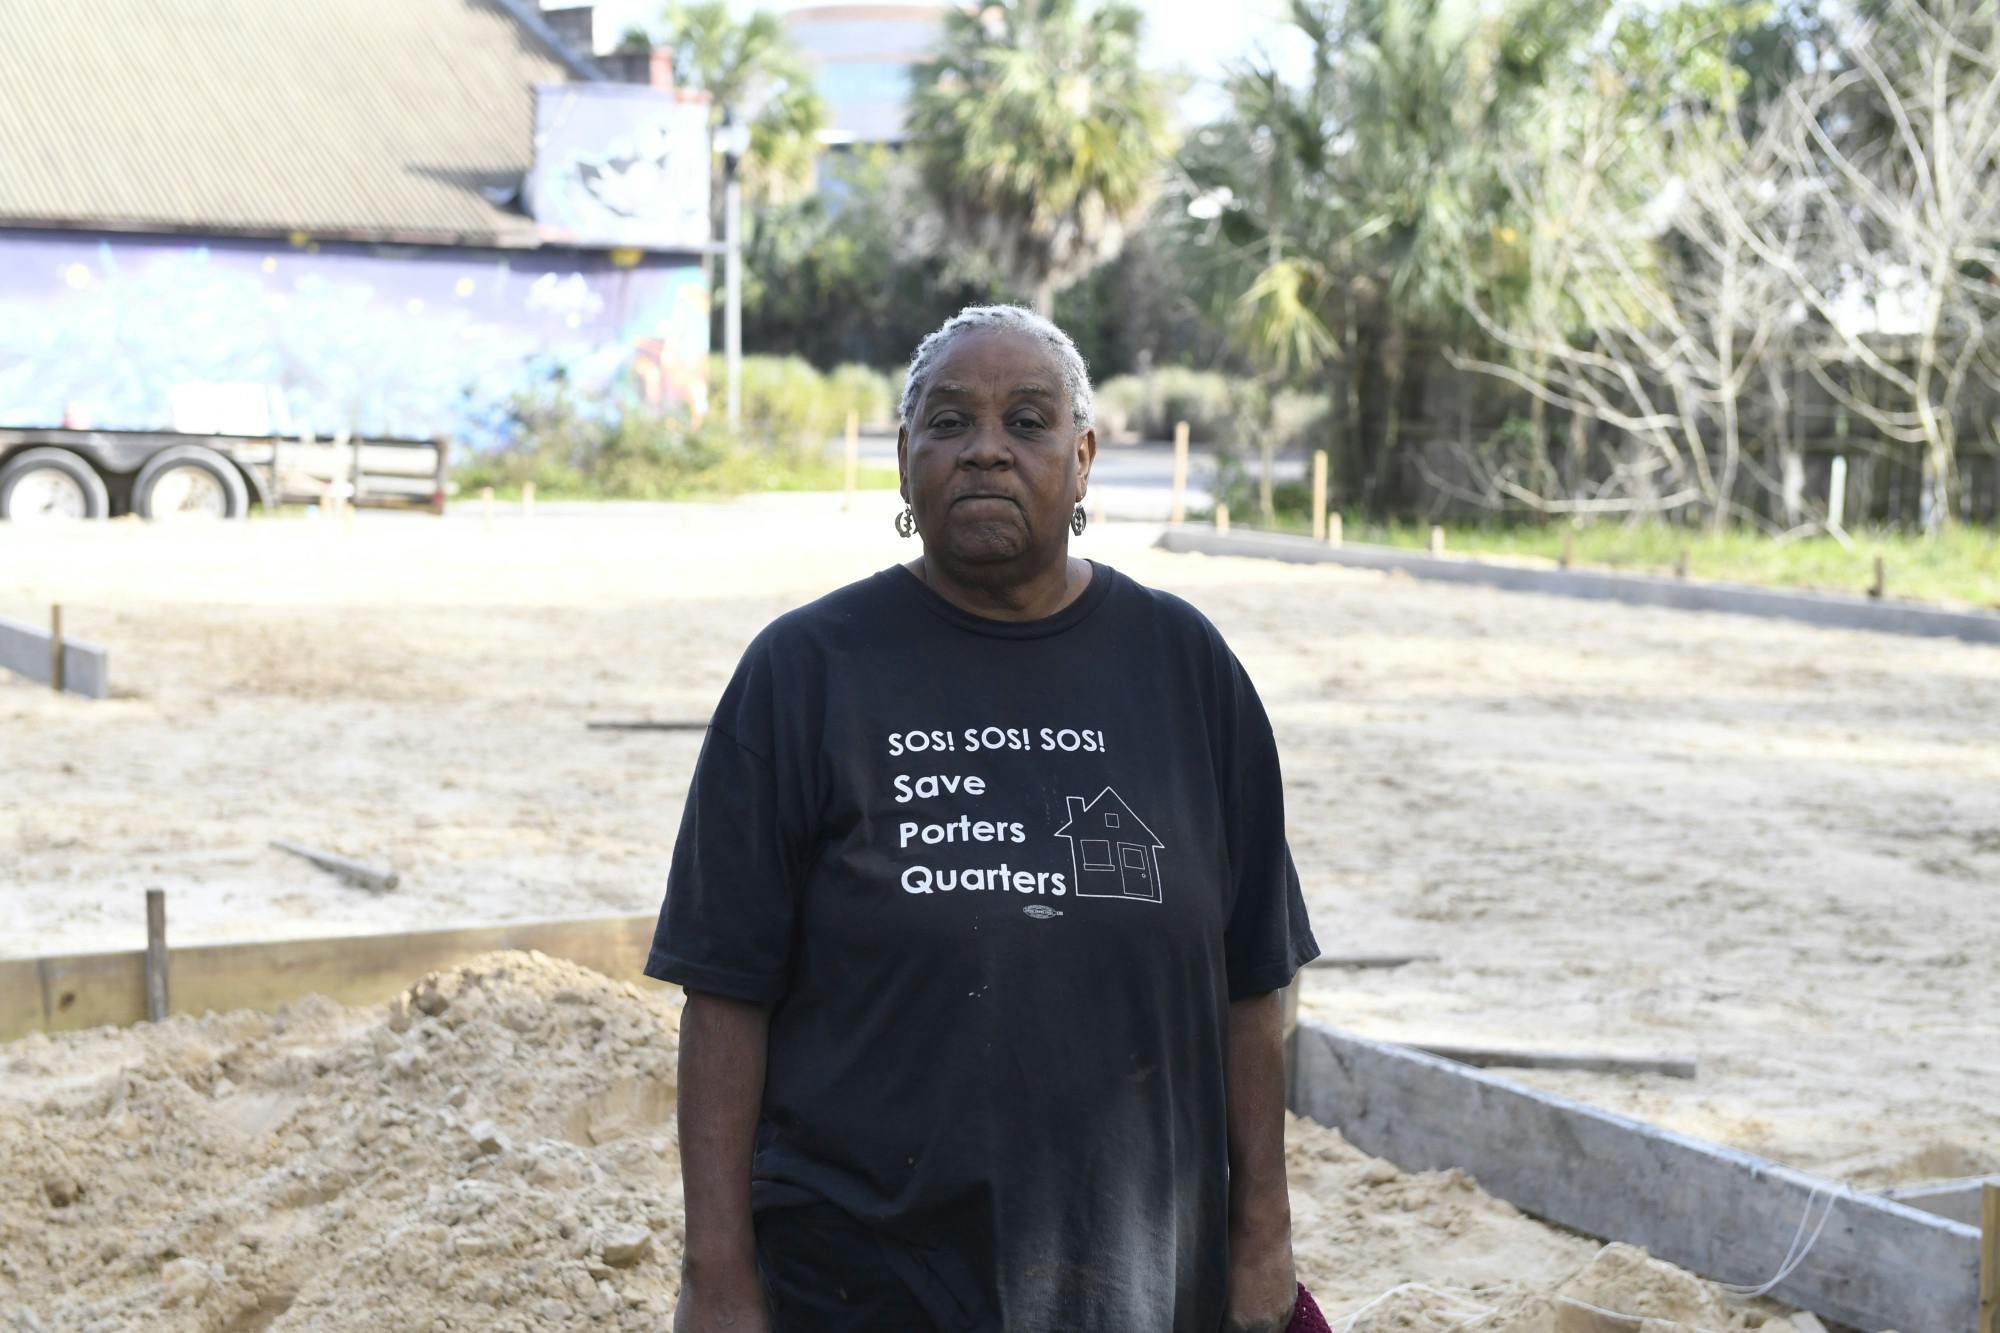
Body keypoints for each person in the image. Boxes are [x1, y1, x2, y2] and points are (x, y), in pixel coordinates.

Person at [649, 304, 1321, 1333]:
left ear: (1084, 457)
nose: (986, 452)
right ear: (903, 457)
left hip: (1134, 1271)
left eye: (1027, 421)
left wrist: (1262, 1233)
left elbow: (1253, 982)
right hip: (858, 1273)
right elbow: (725, 995)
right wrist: (716, 1272)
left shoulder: (1184, 669)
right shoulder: (805, 672)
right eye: (950, 422)